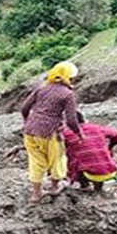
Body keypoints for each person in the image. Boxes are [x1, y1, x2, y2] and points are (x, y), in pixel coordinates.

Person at [20, 61, 83, 202]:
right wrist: (79, 133)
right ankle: (54, 188)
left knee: (35, 161)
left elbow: (24, 108)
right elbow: (71, 119)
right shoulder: (67, 94)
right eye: (73, 77)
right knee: (57, 160)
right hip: (50, 132)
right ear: (68, 77)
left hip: (30, 131)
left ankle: (36, 194)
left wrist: (27, 122)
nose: (74, 80)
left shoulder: (41, 88)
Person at [61, 112, 117, 193]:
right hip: (108, 170)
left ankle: (84, 185)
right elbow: (116, 134)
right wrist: (110, 147)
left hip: (85, 171)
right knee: (96, 156)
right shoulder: (96, 128)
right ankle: (98, 189)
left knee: (73, 156)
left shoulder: (66, 133)